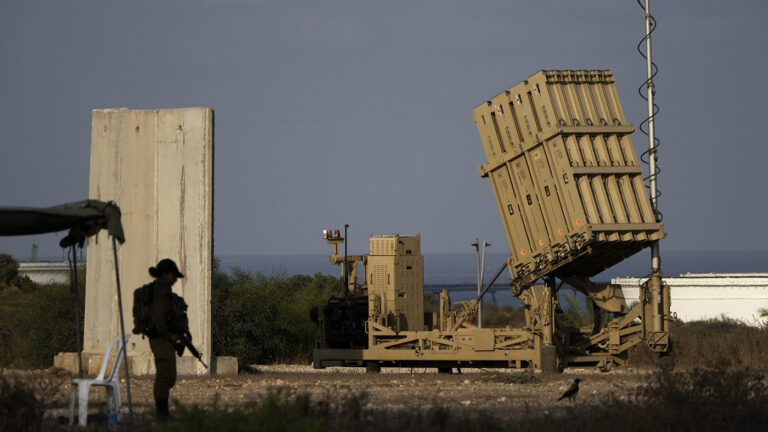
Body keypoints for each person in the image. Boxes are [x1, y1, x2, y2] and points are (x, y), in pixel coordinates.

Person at [147, 258, 185, 421]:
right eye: (173, 275)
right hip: (160, 338)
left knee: (168, 375)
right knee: (165, 375)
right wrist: (171, 336)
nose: (175, 279)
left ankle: (162, 411)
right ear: (165, 274)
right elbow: (159, 322)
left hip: (163, 338)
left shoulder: (163, 291)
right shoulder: (162, 294)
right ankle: (161, 412)